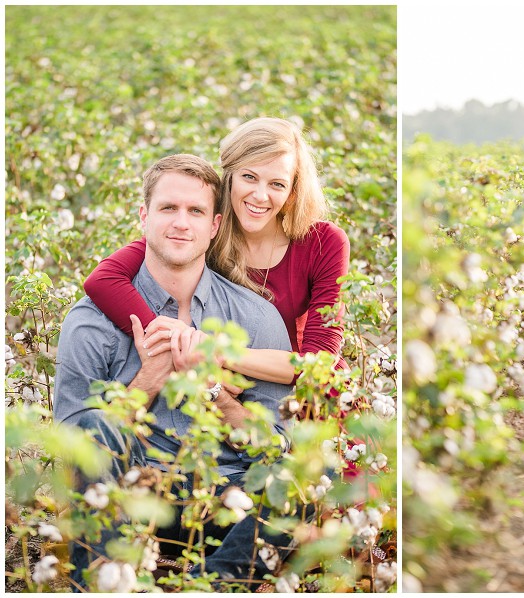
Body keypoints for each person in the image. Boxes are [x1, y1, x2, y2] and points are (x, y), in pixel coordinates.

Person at [54, 154, 296, 590]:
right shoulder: (91, 321)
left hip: (230, 501)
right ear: (144, 216)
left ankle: (215, 584)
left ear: (216, 225)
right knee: (94, 423)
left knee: (312, 478)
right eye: (168, 208)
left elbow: (273, 450)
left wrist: (213, 392)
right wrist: (149, 378)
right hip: (135, 497)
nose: (181, 223)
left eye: (196, 211)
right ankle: (103, 586)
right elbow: (74, 446)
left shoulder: (256, 318)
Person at [83, 117, 350, 385]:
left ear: (293, 192)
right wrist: (172, 341)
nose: (260, 195)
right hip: (231, 389)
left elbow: (318, 365)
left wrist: (210, 352)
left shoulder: (323, 243)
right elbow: (103, 280)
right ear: (229, 178)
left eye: (277, 184)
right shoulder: (202, 231)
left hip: (308, 396)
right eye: (249, 177)